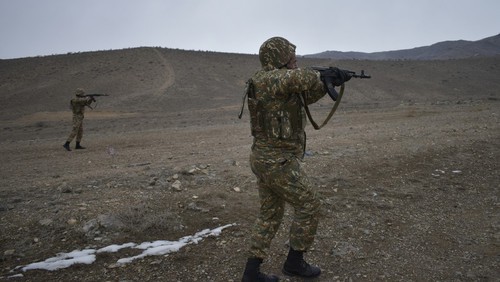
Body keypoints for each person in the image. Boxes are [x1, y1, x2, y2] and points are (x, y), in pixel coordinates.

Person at [241, 37, 351, 281]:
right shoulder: (269, 78)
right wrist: (325, 73)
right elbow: (301, 78)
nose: (295, 59)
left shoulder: (275, 84)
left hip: (267, 159)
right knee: (309, 205)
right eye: (291, 56)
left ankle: (251, 273)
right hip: (276, 162)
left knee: (270, 214)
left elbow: (302, 95)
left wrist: (330, 83)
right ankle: (294, 263)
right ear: (280, 58)